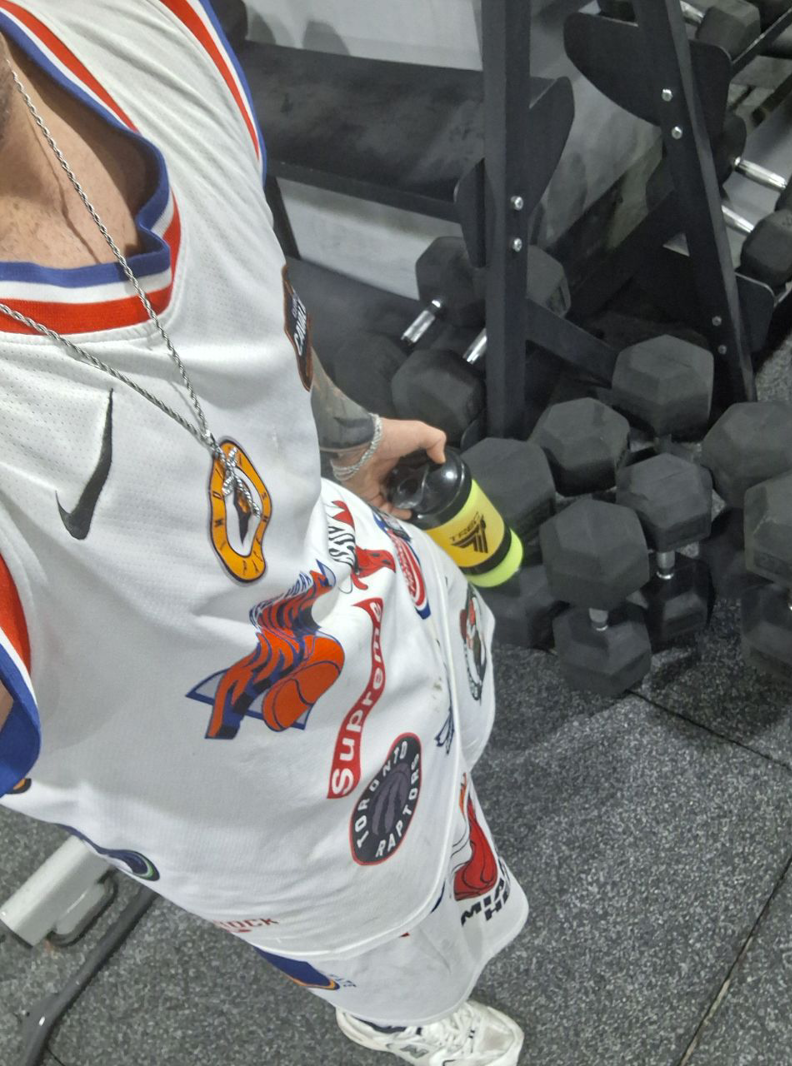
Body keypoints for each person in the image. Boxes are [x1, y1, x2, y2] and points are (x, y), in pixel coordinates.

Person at [0, 3, 528, 1063]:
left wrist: (345, 439)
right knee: (404, 957)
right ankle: (400, 1021)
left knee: (464, 772)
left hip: (379, 588)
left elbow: (250, 290)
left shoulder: (129, 19)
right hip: (280, 818)